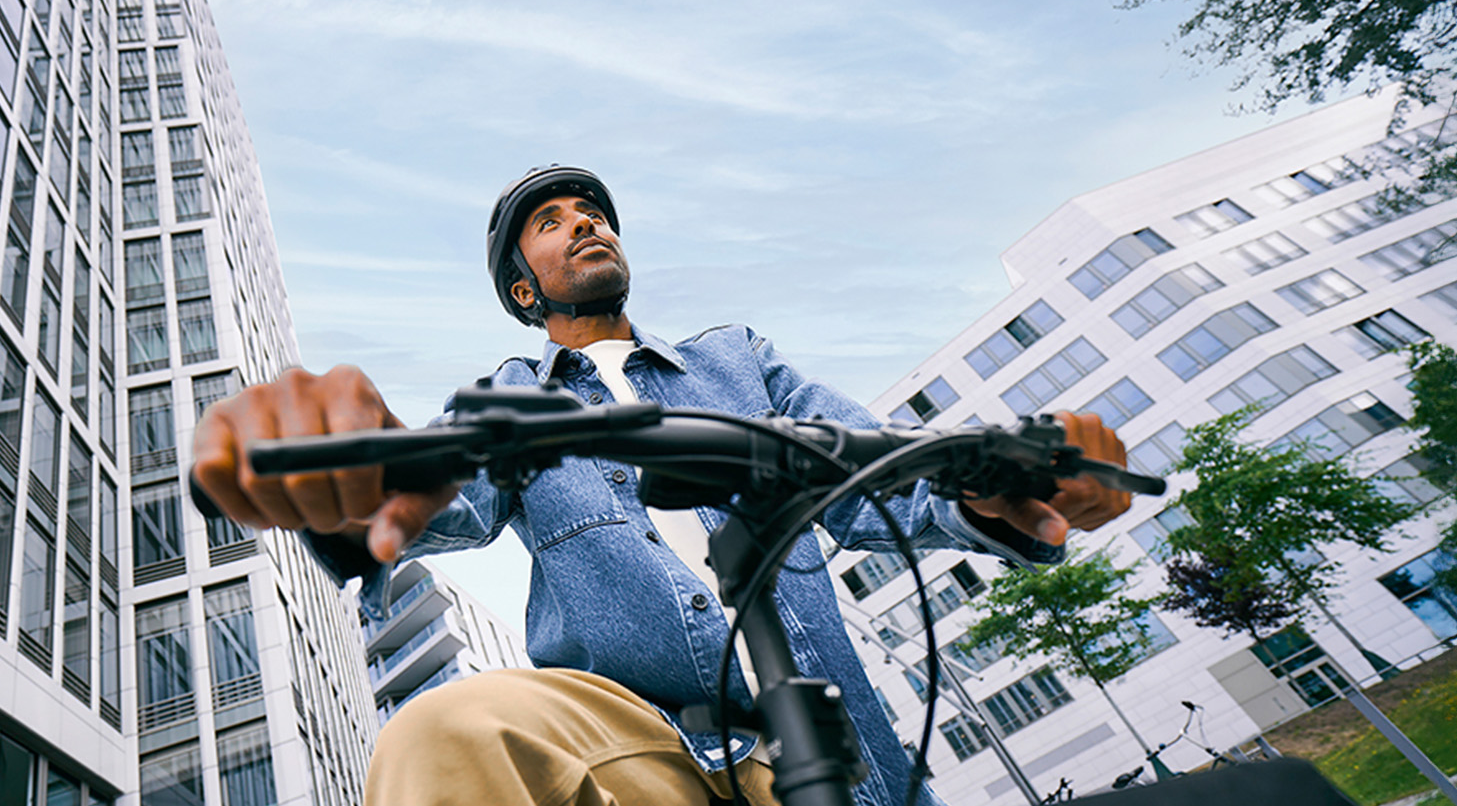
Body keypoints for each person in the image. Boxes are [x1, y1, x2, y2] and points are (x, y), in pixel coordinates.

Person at [190, 165, 1134, 806]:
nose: (583, 223)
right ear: (527, 291)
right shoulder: (511, 399)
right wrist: (355, 458)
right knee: (448, 729)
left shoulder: (739, 361)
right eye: (551, 224)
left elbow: (873, 468)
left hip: (822, 733)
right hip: (638, 743)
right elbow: (445, 490)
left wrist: (992, 489)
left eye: (590, 211)